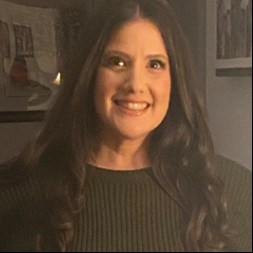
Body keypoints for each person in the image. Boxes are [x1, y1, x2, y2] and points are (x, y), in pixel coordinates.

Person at [0, 0, 251, 252]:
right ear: (89, 74)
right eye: (117, 61)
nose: (135, 84)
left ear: (175, 81)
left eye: (155, 64)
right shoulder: (18, 193)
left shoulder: (233, 190)